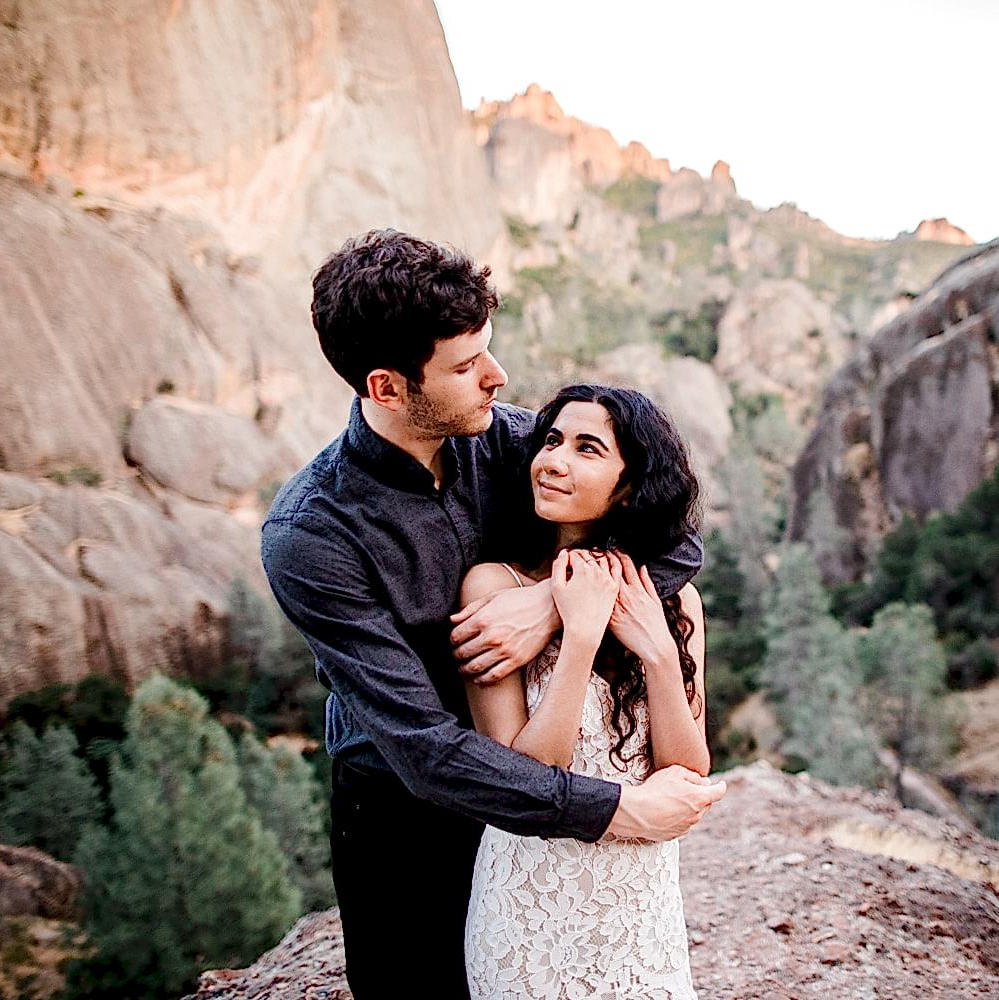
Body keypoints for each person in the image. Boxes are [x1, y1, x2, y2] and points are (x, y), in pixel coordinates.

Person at [260, 230, 725, 1000]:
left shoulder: (513, 443)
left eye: (489, 351)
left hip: (545, 761)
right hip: (406, 808)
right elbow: (429, 751)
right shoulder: (313, 534)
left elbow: (669, 538)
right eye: (467, 365)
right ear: (386, 387)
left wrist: (547, 601)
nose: (498, 377)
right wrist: (615, 811)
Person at [460, 385, 709, 999]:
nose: (553, 461)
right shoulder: (494, 588)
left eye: (587, 448)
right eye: (551, 441)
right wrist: (578, 638)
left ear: (628, 485)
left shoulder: (674, 601)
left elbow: (686, 767)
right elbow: (524, 772)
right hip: (531, 901)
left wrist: (655, 651)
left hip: (639, 900)